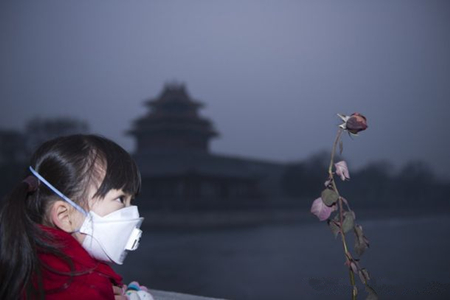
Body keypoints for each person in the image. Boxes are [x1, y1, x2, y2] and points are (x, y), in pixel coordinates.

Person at [0, 134, 152, 300]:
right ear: (65, 216)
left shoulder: (26, 258)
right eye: (120, 199)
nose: (133, 214)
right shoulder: (82, 287)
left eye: (132, 201)